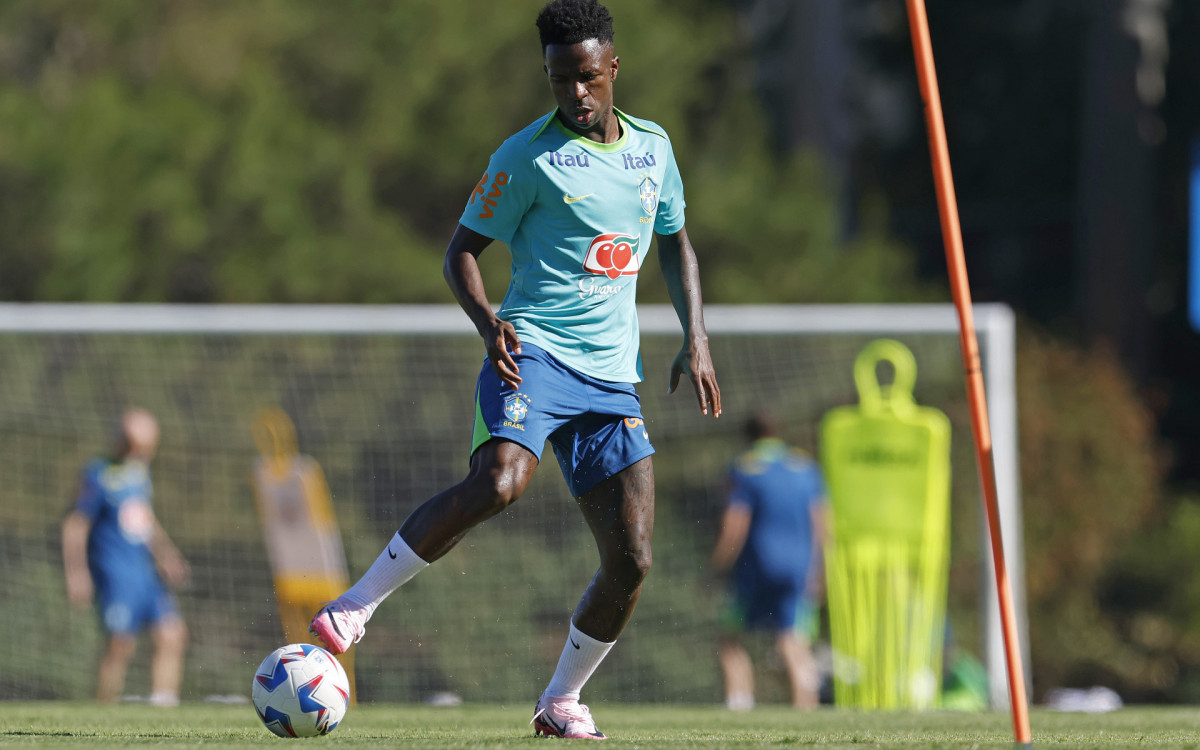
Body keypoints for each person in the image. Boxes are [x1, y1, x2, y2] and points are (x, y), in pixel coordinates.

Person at [309, 0, 721, 739]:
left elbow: (676, 242)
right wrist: (487, 321)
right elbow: (459, 253)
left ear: (614, 67)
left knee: (633, 558)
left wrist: (698, 338)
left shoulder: (653, 149)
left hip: (609, 379)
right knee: (500, 482)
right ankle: (356, 605)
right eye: (561, 80)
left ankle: (560, 701)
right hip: (532, 350)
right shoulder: (525, 157)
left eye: (588, 77)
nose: (576, 95)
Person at [61, 408, 190, 705]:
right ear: (121, 439)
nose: (141, 452)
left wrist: (166, 554)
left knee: (172, 635)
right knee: (120, 645)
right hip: (114, 574)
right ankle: (104, 709)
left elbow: (144, 519)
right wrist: (76, 574)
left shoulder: (140, 473)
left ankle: (163, 706)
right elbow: (75, 524)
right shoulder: (99, 473)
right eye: (135, 445)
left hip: (145, 575)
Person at [710, 412, 826, 710]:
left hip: (757, 567)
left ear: (748, 437)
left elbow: (736, 523)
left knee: (730, 637)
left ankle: (739, 703)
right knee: (792, 638)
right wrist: (819, 567)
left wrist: (718, 563)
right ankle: (807, 709)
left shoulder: (744, 468)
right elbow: (822, 521)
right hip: (800, 566)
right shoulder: (806, 467)